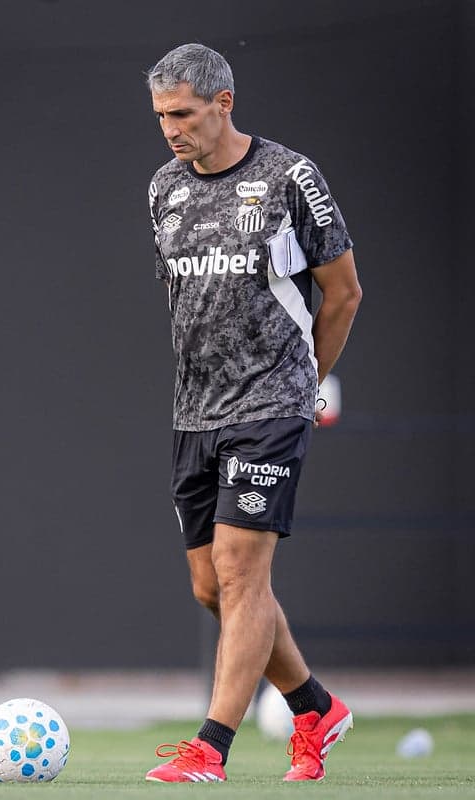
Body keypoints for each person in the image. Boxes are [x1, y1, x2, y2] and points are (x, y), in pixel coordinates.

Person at [144, 43, 362, 784]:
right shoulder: (163, 188)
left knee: (241, 575)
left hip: (270, 406)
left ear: (223, 103)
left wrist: (303, 386)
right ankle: (314, 706)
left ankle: (210, 748)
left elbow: (344, 292)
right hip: (194, 412)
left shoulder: (290, 178)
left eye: (182, 113)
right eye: (161, 116)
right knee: (214, 589)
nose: (170, 129)